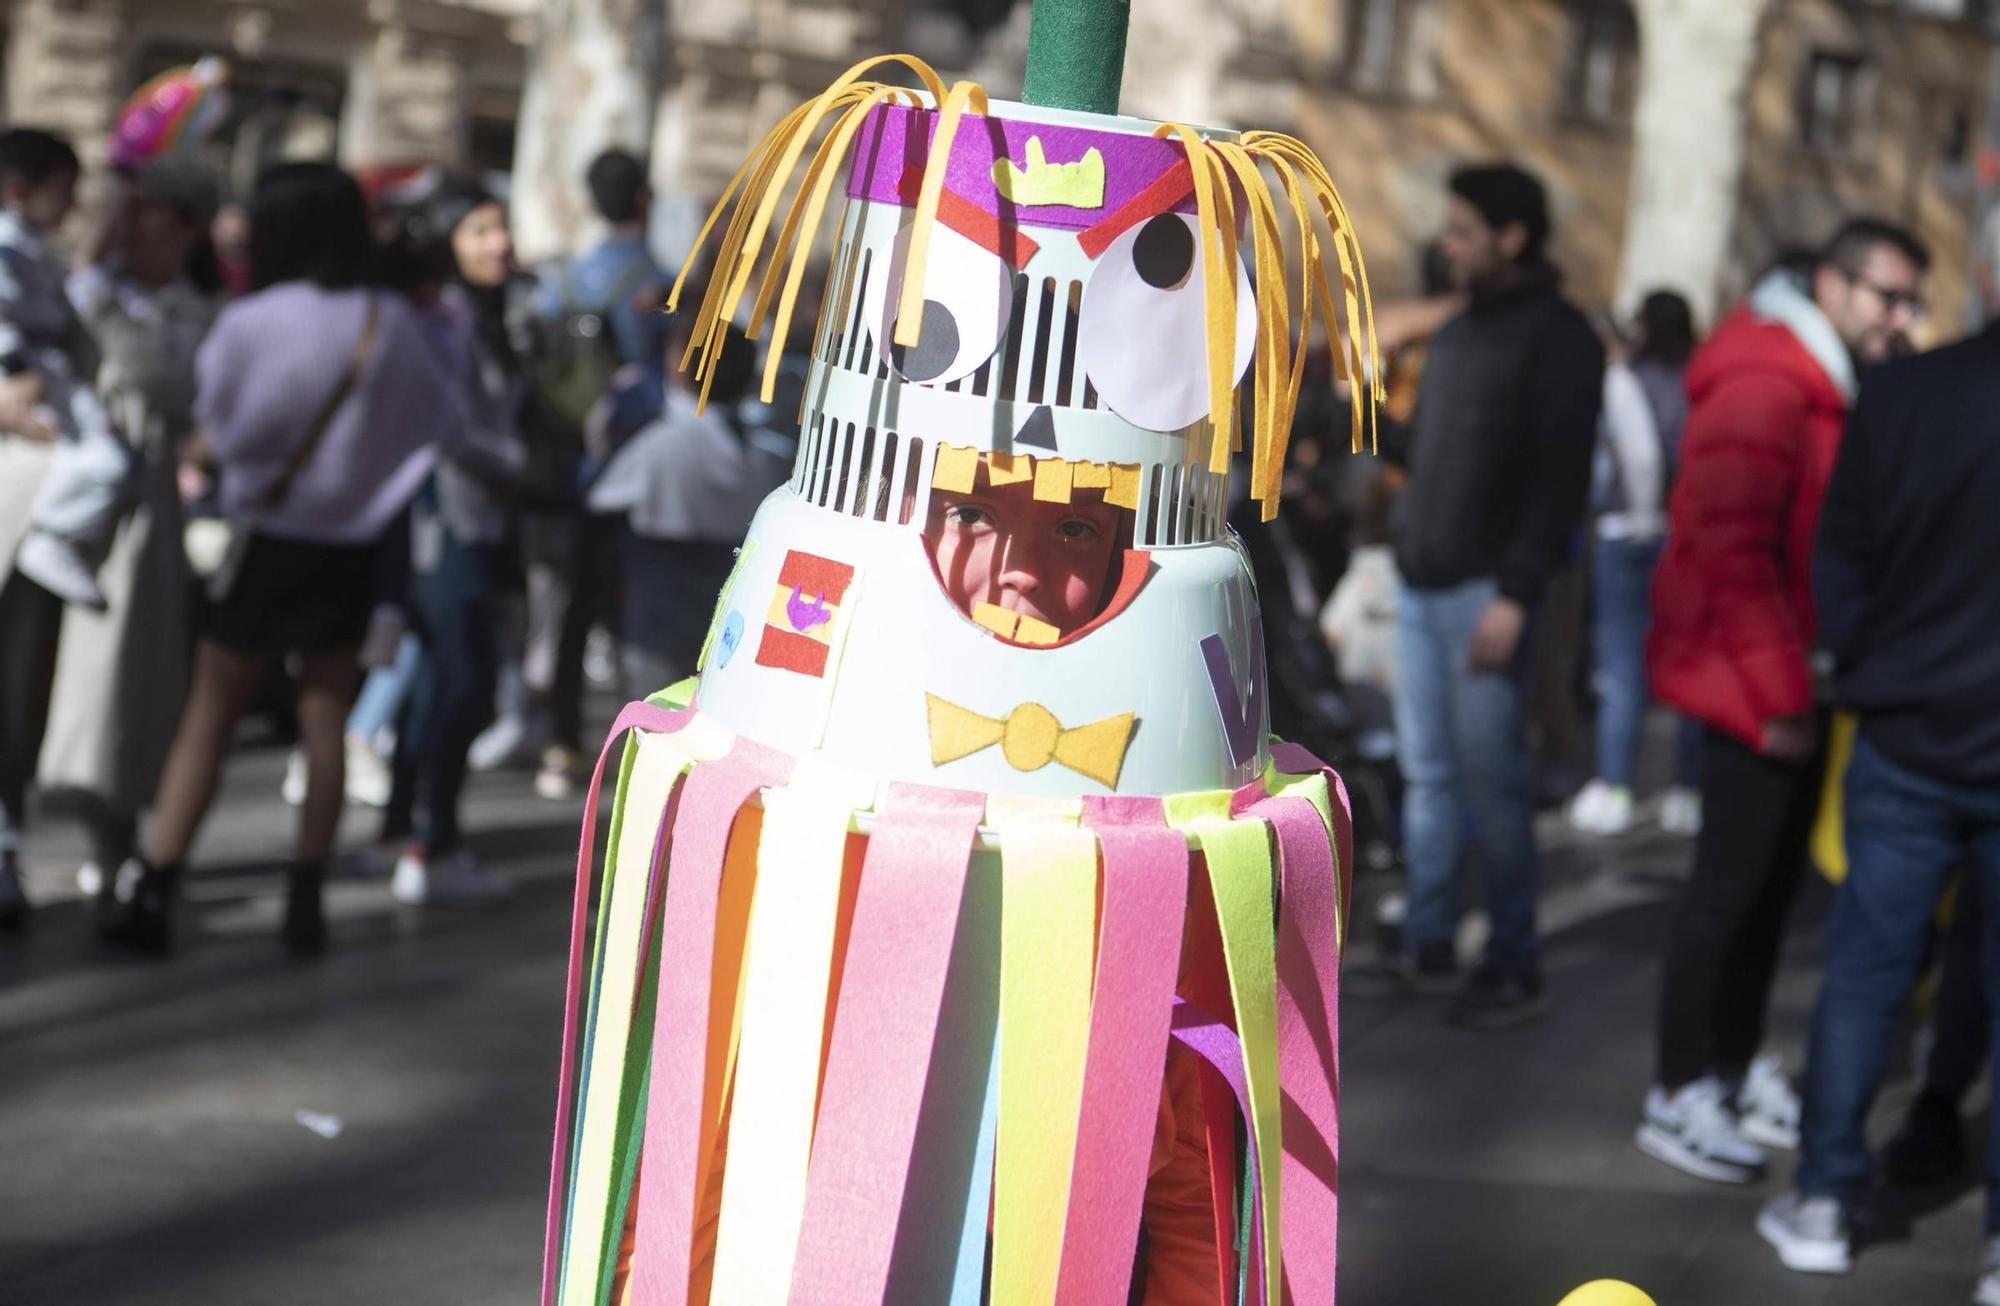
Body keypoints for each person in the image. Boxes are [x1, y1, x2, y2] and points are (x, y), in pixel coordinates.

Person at [100, 162, 461, 956]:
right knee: (325, 723)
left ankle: (159, 885)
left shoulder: (254, 320)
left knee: (209, 717)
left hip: (266, 540)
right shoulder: (389, 321)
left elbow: (221, 430)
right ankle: (306, 898)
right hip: (354, 550)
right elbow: (434, 423)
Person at [1638, 218, 1928, 1185]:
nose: (1903, 320)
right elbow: (1732, 550)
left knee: (1765, 893)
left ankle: (1729, 1062)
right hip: (1753, 689)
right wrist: (1782, 694)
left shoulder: (1819, 380)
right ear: (1831, 286)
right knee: (1726, 893)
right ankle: (1679, 1091)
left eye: (1911, 301)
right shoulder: (1769, 379)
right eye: (1889, 297)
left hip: (1789, 681)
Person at [1757, 251, 2000, 1296]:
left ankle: (1823, 1194)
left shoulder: (1903, 390)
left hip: (1903, 727)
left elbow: (1838, 548)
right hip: (1912, 726)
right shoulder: (1903, 387)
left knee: (1865, 970)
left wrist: (1864, 660)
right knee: (1876, 971)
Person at [1387, 162, 1605, 1027]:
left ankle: (1512, 960)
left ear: (1513, 238)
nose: (1450, 245)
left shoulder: (1560, 340)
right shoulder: (1463, 328)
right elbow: (1440, 457)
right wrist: (1365, 431)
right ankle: (1430, 937)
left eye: (1465, 231)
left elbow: (1558, 485)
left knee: (1493, 786)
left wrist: (1516, 598)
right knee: (1428, 778)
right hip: (1420, 583)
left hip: (1485, 594)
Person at [34, 161, 222, 899]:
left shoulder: (199, 312)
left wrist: (94, 286)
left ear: (184, 226)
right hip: (50, 504)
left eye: (146, 213)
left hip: (137, 519)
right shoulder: (81, 290)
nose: (127, 226)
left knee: (115, 683)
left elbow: (161, 382)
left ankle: (113, 838)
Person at [379, 181, 533, 907]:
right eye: (479, 231)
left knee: (437, 677)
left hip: (477, 518)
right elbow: (445, 421)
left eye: (500, 229)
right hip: (447, 518)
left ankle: (406, 829)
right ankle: (428, 841)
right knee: (463, 679)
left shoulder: (492, 313)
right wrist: (512, 465)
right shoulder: (447, 319)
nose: (499, 244)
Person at [512, 147, 675, 800]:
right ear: (644, 199)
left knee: (573, 612)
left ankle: (561, 743)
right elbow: (663, 383)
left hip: (567, 466)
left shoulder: (566, 280)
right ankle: (643, 747)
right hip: (631, 468)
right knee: (635, 611)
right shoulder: (657, 281)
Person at [587, 320, 792, 694]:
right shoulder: (767, 458)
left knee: (652, 716)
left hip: (658, 606)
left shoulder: (660, 443)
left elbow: (601, 500)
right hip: (727, 612)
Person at [1567, 291, 1701, 838]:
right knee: (1686, 665)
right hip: (1681, 535)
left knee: (1621, 670)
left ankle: (1617, 786)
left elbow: (1641, 457)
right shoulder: (1695, 378)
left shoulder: (1628, 378)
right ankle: (1685, 789)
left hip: (1631, 531)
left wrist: (1640, 514)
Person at [0, 128, 129, 613]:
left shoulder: (30, 250)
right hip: (28, 384)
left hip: (40, 380)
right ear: (20, 191)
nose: (72, 206)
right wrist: (15, 374)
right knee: (103, 460)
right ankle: (53, 536)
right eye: (64, 192)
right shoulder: (9, 247)